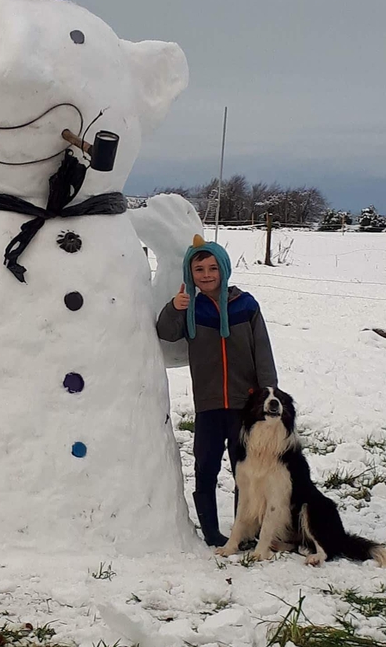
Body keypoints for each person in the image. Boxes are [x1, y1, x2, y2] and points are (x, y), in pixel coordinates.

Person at [156, 234, 278, 547]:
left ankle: (244, 530)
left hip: (246, 404)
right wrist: (175, 307)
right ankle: (211, 532)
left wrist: (268, 394)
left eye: (213, 267)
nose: (207, 274)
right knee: (205, 466)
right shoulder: (192, 308)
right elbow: (166, 333)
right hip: (208, 405)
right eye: (199, 270)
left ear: (224, 269)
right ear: (190, 274)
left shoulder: (246, 305)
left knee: (244, 471)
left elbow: (262, 351)